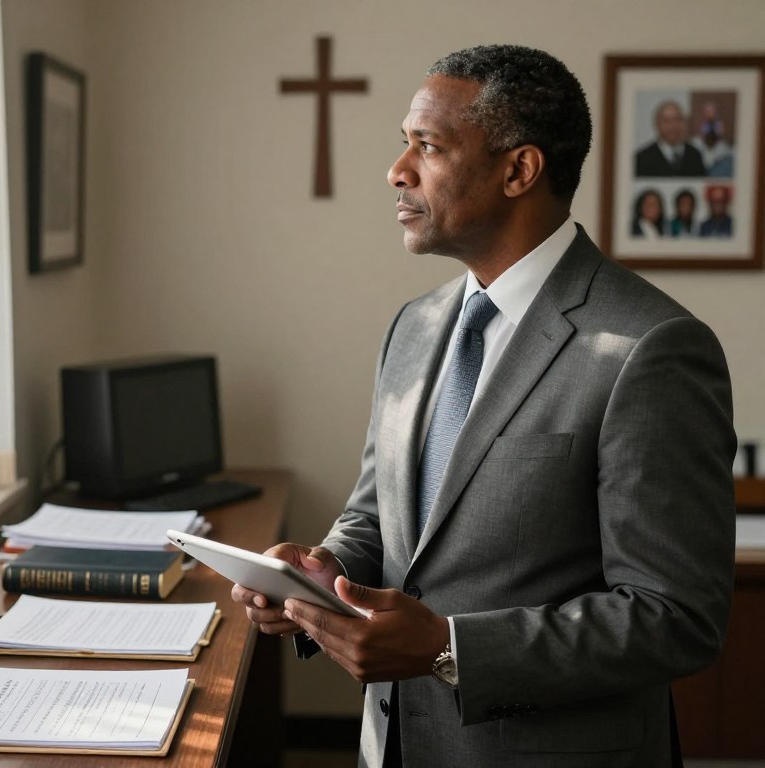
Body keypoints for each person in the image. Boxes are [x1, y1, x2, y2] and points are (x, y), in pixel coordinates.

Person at [232, 44, 735, 768]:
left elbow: (676, 618)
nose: (397, 170)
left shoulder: (652, 348)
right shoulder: (413, 326)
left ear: (518, 170)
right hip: (396, 746)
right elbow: (377, 515)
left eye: (427, 146)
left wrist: (447, 648)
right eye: (404, 142)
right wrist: (319, 571)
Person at [635, 100, 707, 177]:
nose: (673, 126)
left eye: (678, 119)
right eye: (667, 121)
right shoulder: (642, 159)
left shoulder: (695, 155)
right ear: (657, 125)